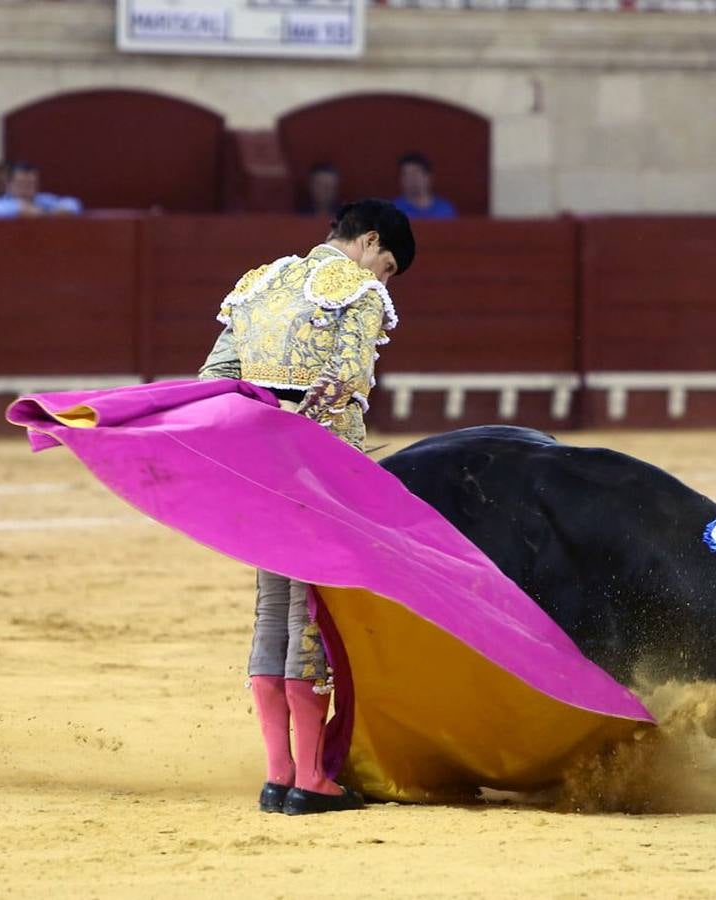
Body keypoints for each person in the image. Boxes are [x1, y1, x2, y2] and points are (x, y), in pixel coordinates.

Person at [198, 199, 415, 815]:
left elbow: (214, 382)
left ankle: (277, 777)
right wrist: (301, 444)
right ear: (371, 241)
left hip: (260, 469)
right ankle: (313, 780)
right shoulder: (359, 292)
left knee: (272, 606)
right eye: (389, 265)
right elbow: (341, 385)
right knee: (309, 613)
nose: (383, 279)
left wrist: (262, 441)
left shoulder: (258, 284)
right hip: (322, 471)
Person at [0, 161, 82, 219]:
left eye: (31, 183)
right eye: (22, 183)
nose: (27, 188)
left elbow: (74, 204)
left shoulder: (43, 200)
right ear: (9, 185)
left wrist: (48, 213)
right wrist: (25, 210)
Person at [392, 152, 456, 220]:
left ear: (428, 177)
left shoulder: (445, 210)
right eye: (406, 175)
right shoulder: (393, 210)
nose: (411, 179)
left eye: (415, 173)